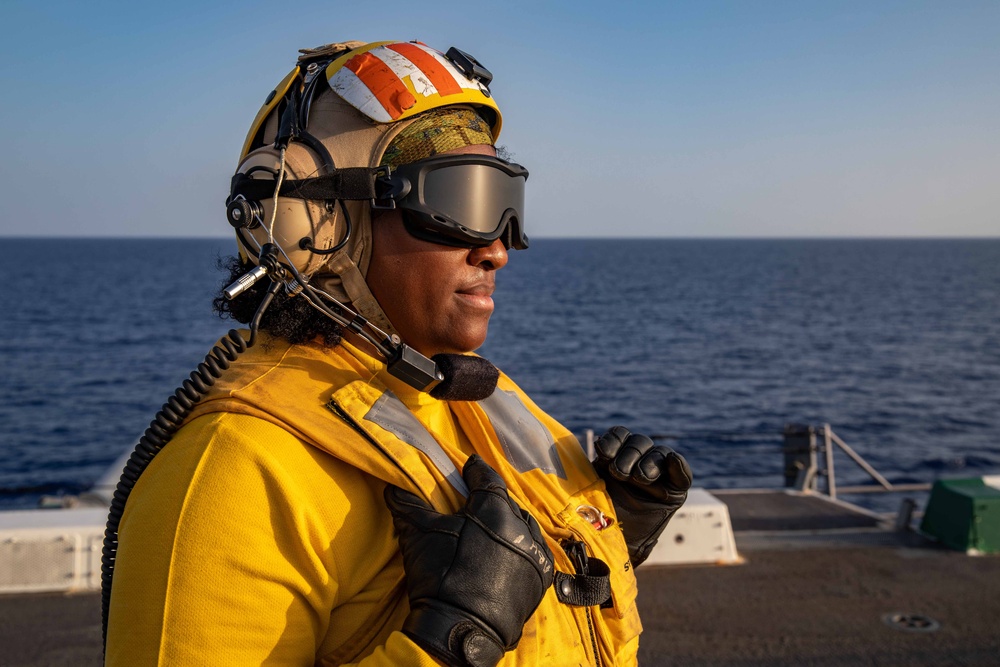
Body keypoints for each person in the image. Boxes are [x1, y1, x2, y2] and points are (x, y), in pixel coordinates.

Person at [104, 40, 692, 666]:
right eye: (460, 204)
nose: (498, 248)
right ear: (319, 224)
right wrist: (452, 643)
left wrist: (609, 536)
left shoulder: (478, 400)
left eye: (506, 208)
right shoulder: (233, 476)